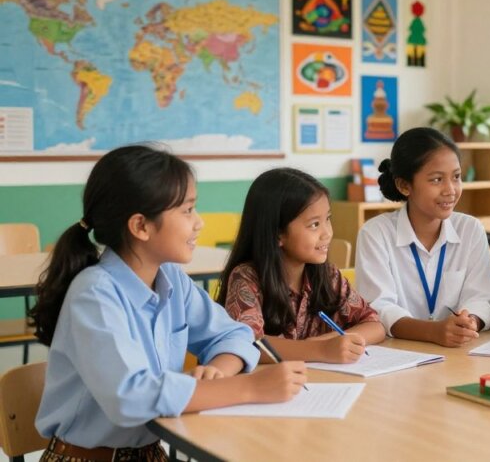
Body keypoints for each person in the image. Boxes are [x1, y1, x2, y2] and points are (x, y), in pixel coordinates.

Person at [29, 145, 305, 461]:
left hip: (149, 453)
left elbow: (234, 334)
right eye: (187, 210)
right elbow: (130, 397)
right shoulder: (94, 295)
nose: (199, 222)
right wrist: (251, 388)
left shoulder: (170, 278)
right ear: (141, 226)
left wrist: (218, 371)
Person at [218, 168, 385, 362]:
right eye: (314, 224)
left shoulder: (328, 276)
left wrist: (328, 342)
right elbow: (249, 343)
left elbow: (375, 325)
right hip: (267, 386)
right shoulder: (247, 277)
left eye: (328, 219)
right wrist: (321, 349)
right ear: (277, 233)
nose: (327, 233)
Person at [356, 128, 490, 347]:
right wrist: (433, 331)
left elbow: (482, 297)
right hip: (397, 353)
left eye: (456, 177)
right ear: (404, 185)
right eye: (437, 180)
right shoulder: (376, 233)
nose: (450, 190)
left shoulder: (470, 229)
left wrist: (469, 323)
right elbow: (379, 308)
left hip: (460, 350)